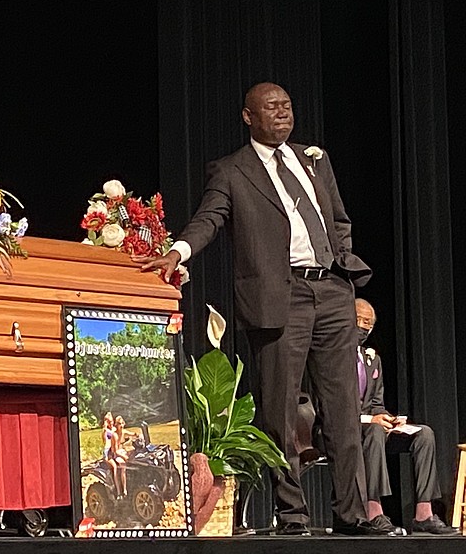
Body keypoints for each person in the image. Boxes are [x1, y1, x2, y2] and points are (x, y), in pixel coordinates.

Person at [137, 82, 394, 536]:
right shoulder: (233, 170)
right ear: (248, 116)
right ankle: (293, 515)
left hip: (331, 290)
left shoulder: (315, 159)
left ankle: (351, 514)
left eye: (287, 106)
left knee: (342, 411)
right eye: (271, 107)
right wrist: (178, 252)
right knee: (279, 413)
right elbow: (209, 218)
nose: (282, 113)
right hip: (281, 296)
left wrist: (342, 262)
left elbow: (337, 219)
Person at [354, 298, 457, 535]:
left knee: (423, 434)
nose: (362, 327)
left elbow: (376, 404)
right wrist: (372, 421)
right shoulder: (334, 358)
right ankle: (373, 511)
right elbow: (334, 407)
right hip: (344, 429)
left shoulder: (372, 359)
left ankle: (424, 514)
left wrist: (387, 418)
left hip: (373, 429)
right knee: (375, 430)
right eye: (357, 320)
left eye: (367, 323)